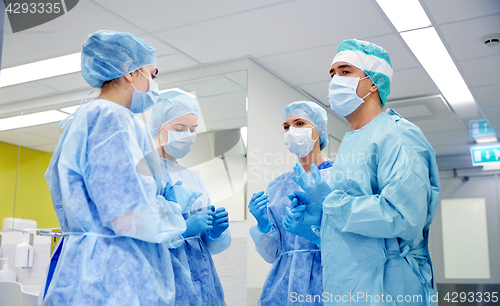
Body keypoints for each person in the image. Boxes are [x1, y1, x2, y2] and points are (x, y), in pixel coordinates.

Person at [40, 30, 189, 305]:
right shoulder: (110, 118)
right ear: (129, 71)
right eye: (152, 74)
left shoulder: (90, 117)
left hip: (92, 267)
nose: (154, 84)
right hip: (111, 273)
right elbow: (123, 215)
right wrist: (175, 217)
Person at [289, 39, 440, 305]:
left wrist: (331, 202)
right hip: (350, 289)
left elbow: (404, 217)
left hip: (389, 288)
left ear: (373, 83)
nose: (336, 79)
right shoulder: (353, 142)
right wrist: (320, 218)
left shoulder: (398, 136)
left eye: (346, 71)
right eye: (332, 73)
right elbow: (353, 233)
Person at [149, 90, 231, 306]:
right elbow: (140, 236)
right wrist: (182, 228)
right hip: (163, 279)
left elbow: (207, 246)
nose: (187, 134)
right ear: (159, 128)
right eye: (179, 128)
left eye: (193, 129)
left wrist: (213, 233)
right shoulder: (144, 173)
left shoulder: (193, 179)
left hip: (205, 280)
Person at [249, 101, 332, 306]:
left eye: (300, 123)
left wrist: (316, 234)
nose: (291, 131)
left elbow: (352, 245)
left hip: (329, 285)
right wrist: (263, 225)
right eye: (286, 127)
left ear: (318, 130)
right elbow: (272, 255)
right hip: (281, 290)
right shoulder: (277, 187)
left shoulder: (339, 178)